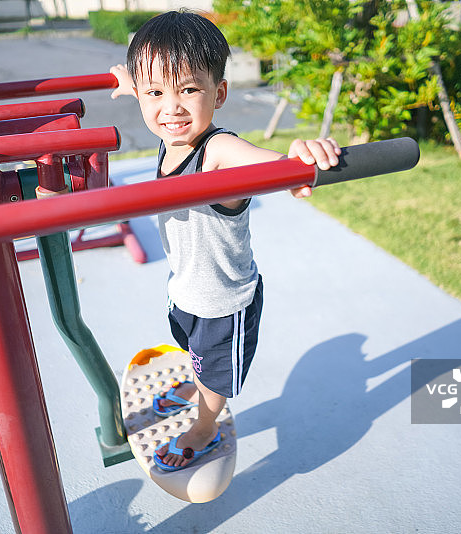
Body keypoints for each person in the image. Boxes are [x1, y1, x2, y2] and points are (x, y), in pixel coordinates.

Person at [110, 10, 340, 471]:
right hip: (186, 290)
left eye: (189, 90)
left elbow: (267, 164)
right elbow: (158, 93)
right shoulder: (169, 129)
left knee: (216, 372)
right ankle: (195, 385)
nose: (171, 108)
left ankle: (205, 427)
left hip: (223, 303)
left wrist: (297, 158)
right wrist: (129, 81)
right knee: (191, 352)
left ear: (219, 94)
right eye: (154, 92)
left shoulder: (216, 152)